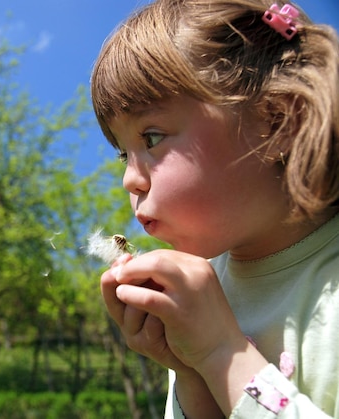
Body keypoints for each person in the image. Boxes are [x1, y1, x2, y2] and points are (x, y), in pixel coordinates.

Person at [90, 0, 339, 417]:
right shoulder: (199, 298)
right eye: (123, 155)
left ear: (278, 122)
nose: (129, 180)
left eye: (151, 138)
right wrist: (188, 369)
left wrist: (222, 353)